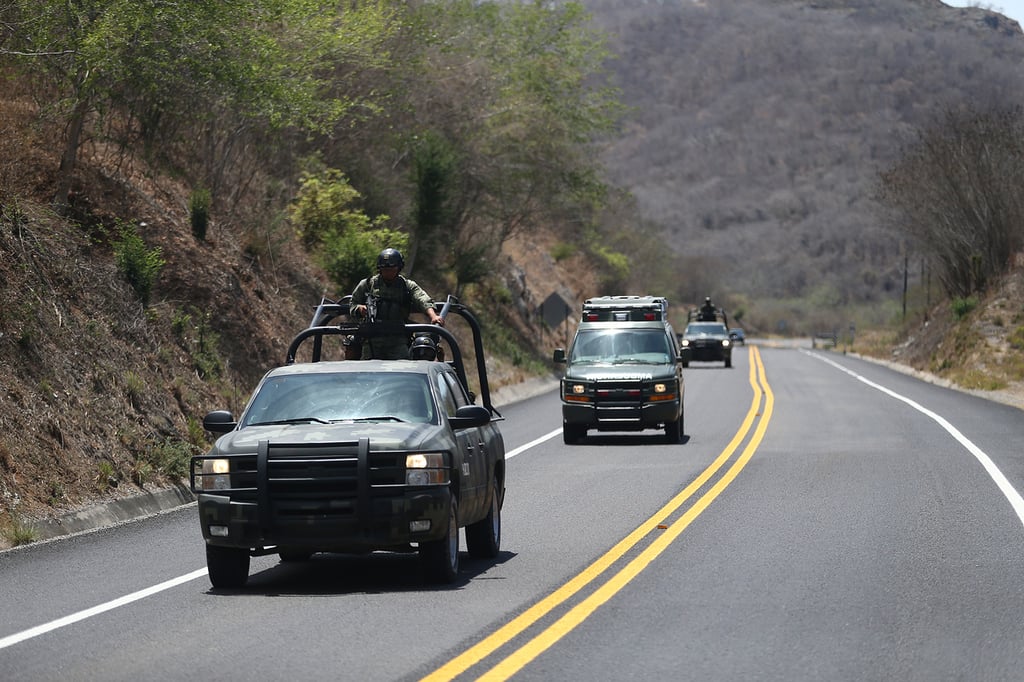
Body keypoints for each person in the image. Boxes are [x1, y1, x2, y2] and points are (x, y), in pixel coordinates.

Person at [349, 248, 443, 359]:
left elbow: (422, 299)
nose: (388, 272)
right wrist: (359, 309)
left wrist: (433, 316)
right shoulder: (368, 284)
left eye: (392, 269)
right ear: (380, 269)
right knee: (367, 367)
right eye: (385, 269)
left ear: (399, 268)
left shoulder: (407, 286)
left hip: (398, 339)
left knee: (403, 366)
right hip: (372, 340)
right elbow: (352, 304)